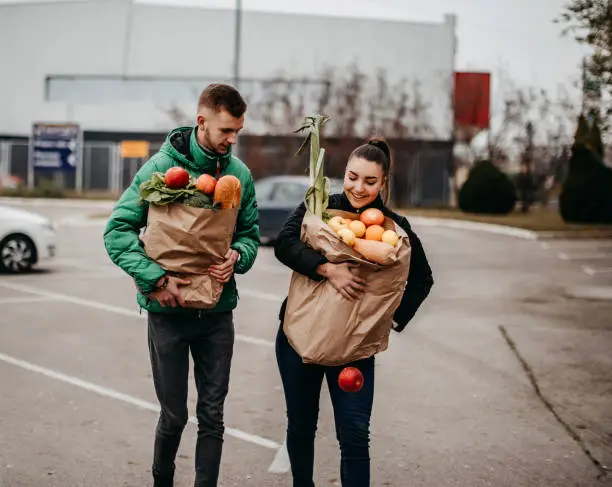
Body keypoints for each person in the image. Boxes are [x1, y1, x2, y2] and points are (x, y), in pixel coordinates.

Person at [103, 83, 260, 487]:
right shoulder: (159, 169)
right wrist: (153, 278)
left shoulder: (238, 176)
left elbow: (249, 235)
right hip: (167, 312)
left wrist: (237, 256)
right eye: (226, 130)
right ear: (201, 121)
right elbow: (117, 231)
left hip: (217, 313)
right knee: (173, 416)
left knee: (213, 417)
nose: (232, 140)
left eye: (237, 132)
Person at [273, 138, 434, 487]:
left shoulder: (395, 230)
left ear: (384, 182)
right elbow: (284, 244)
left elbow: (422, 279)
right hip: (299, 337)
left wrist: (388, 320)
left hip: (355, 348)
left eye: (370, 181)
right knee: (300, 425)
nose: (358, 188)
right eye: (352, 177)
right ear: (343, 174)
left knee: (355, 434)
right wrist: (327, 269)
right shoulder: (320, 208)